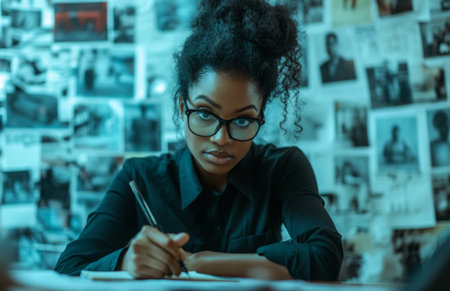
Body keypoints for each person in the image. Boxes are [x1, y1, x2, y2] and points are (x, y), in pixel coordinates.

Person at [54, 0, 343, 281]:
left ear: (261, 116)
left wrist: (199, 262)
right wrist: (125, 261)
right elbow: (70, 265)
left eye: (242, 120)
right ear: (182, 108)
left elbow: (325, 257)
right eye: (205, 114)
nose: (221, 138)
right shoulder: (139, 178)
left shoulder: (283, 168)